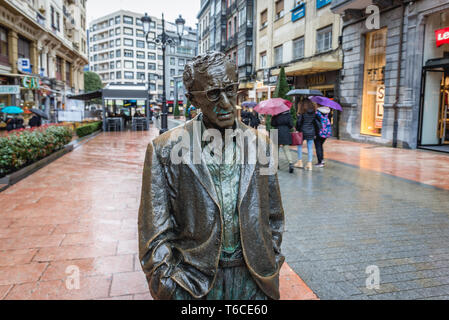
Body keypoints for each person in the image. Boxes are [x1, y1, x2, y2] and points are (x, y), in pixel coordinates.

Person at [138, 52, 284, 300]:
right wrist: (169, 288)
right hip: (194, 284)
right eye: (214, 94)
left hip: (256, 280)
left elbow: (274, 216)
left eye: (230, 89)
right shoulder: (164, 149)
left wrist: (272, 258)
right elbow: (153, 234)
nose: (227, 103)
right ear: (192, 99)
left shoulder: (262, 143)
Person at [294, 100, 321, 171]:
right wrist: (316, 132)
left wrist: (297, 129)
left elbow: (299, 123)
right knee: (310, 148)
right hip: (311, 132)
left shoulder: (302, 113)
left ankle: (300, 162)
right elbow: (316, 123)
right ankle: (309, 164)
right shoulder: (314, 113)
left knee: (299, 146)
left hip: (302, 131)